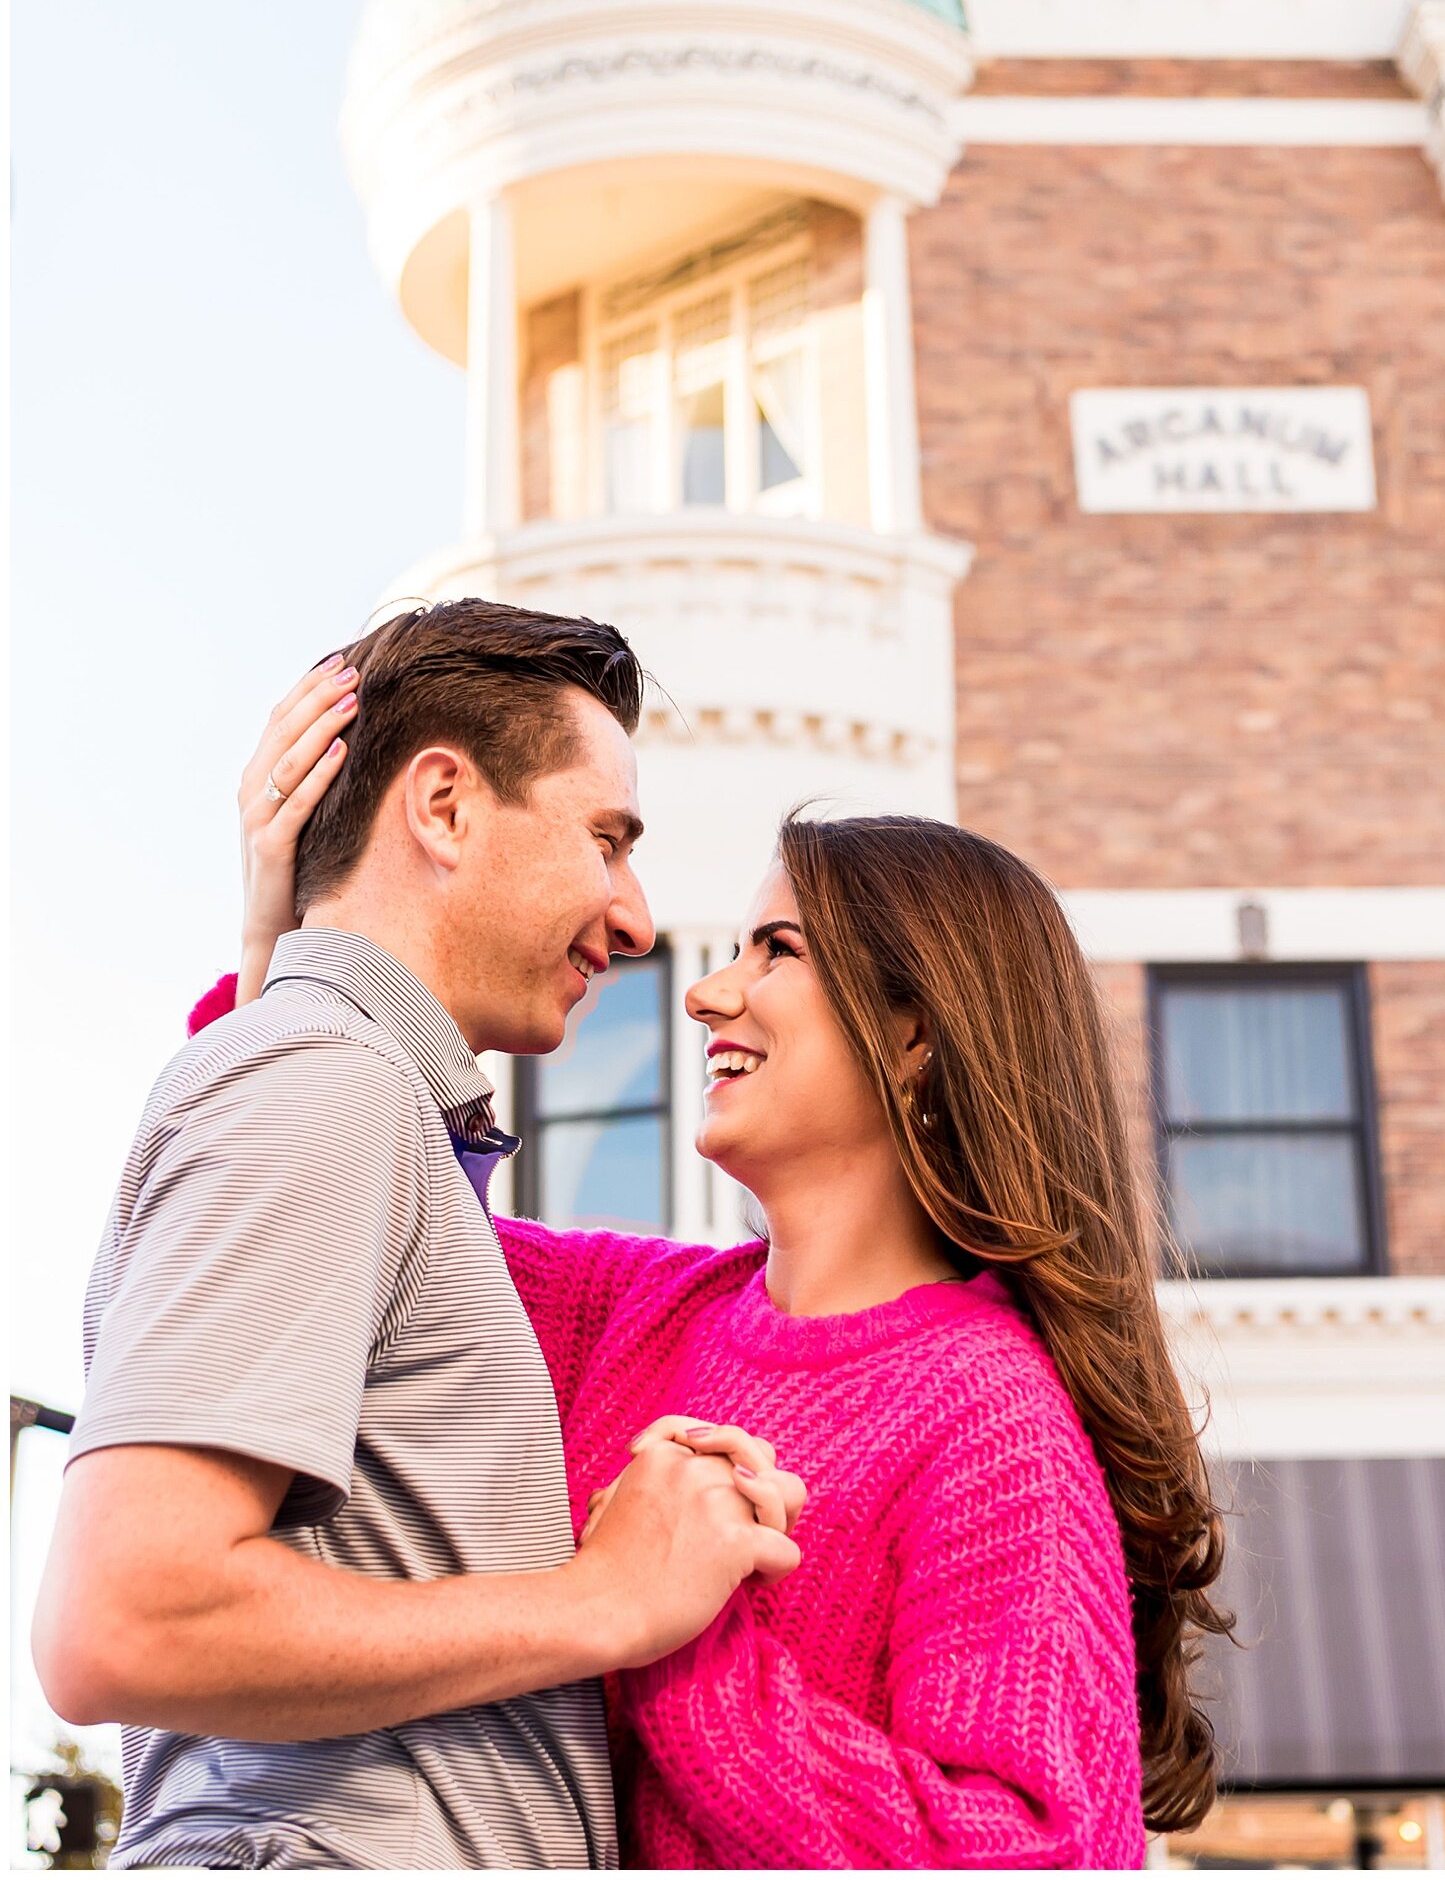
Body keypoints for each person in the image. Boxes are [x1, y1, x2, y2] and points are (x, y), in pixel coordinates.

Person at [186, 658, 1234, 1869]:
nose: (706, 991)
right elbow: (350, 1200)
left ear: (911, 1034)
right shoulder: (640, 1310)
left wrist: (678, 1638)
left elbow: (1033, 1850)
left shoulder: (995, 1423)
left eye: (775, 949)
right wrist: (288, 932)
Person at [32, 600, 804, 1873]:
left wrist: (272, 958)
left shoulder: (344, 1086)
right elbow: (123, 1619)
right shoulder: (323, 1083)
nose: (635, 917)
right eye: (605, 838)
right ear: (442, 806)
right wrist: (601, 1599)